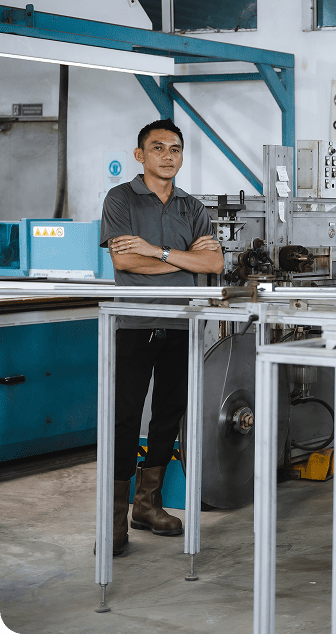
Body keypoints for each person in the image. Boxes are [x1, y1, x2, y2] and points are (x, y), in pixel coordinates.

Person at [98, 119, 224, 556]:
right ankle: (113, 520)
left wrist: (157, 251)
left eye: (175, 149)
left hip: (183, 323)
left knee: (169, 414)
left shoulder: (192, 206)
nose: (168, 156)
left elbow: (215, 263)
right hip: (135, 324)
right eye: (158, 148)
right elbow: (127, 263)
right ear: (140, 155)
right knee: (125, 418)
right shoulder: (120, 199)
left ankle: (147, 505)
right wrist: (186, 263)